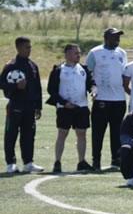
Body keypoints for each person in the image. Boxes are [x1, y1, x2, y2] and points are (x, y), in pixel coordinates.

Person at [45, 42, 93, 173]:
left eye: (79, 53)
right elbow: (52, 90)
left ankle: (81, 161)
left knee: (82, 134)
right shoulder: (58, 69)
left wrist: (94, 90)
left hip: (81, 107)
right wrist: (64, 102)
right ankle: (57, 162)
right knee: (62, 133)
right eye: (75, 52)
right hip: (64, 108)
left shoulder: (84, 69)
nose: (78, 55)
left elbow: (91, 84)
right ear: (67, 54)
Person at [85, 27, 128, 171]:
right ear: (106, 38)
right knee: (98, 132)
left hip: (119, 99)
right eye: (114, 37)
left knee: (116, 132)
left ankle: (116, 160)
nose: (117, 39)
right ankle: (96, 160)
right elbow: (88, 72)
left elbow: (124, 73)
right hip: (102, 99)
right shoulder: (95, 52)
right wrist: (92, 88)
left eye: (118, 37)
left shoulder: (122, 53)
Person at [3, 36, 44, 173]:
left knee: (28, 135)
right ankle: (11, 164)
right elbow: (2, 83)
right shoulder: (11, 65)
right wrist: (15, 86)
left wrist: (38, 106)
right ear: (19, 48)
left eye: (30, 47)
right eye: (27, 47)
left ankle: (28, 163)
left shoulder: (33, 66)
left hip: (30, 107)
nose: (29, 49)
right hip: (15, 106)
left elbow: (37, 87)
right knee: (11, 135)